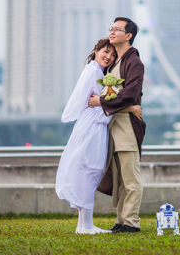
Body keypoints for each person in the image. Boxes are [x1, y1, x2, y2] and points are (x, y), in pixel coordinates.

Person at [56, 38, 142, 235]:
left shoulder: (97, 72)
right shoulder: (93, 72)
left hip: (95, 127)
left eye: (112, 55)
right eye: (105, 51)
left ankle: (84, 224)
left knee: (88, 172)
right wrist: (132, 107)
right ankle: (86, 225)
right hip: (92, 128)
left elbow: (103, 102)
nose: (108, 57)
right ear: (95, 50)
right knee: (89, 171)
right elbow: (101, 102)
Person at [88, 17, 146, 233]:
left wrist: (101, 102)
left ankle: (131, 222)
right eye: (111, 29)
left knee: (130, 177)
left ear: (128, 35)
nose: (112, 32)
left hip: (126, 127)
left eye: (117, 29)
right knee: (119, 179)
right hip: (112, 126)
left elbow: (131, 94)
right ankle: (121, 220)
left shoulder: (134, 63)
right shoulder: (113, 62)